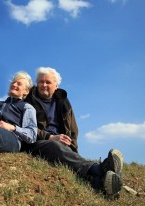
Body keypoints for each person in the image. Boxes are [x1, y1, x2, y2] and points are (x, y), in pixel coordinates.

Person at [23, 67, 124, 197]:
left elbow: (73, 129)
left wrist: (73, 148)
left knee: (68, 155)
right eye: (41, 82)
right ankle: (99, 169)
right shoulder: (28, 100)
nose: (44, 85)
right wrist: (50, 137)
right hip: (38, 141)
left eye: (48, 82)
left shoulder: (63, 101)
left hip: (61, 143)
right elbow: (25, 127)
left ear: (56, 85)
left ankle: (103, 181)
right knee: (56, 146)